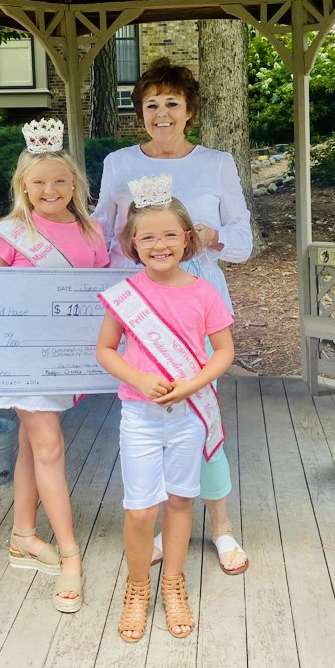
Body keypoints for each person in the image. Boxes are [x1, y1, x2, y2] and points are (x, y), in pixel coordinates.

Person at [94, 58, 252, 575]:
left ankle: (221, 526)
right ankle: (165, 522)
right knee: (152, 416)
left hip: (197, 301)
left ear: (190, 110)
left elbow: (244, 240)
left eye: (172, 103)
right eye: (151, 104)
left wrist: (211, 236)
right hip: (141, 308)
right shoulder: (118, 162)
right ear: (140, 112)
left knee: (201, 414)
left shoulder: (217, 163)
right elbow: (101, 233)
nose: (162, 113)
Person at [96, 175, 234, 642]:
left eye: (170, 235)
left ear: (187, 238)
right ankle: (138, 587)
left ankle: (173, 582)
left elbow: (224, 352)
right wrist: (139, 379)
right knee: (140, 510)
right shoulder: (127, 295)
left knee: (180, 501)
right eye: (148, 237)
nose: (160, 245)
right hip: (140, 415)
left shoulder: (203, 292)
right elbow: (106, 350)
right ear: (133, 244)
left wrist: (191, 385)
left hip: (188, 415)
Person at [0, 117, 109, 613]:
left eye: (60, 180)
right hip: (23, 356)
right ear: (23, 186)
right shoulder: (11, 234)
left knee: (31, 446)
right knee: (50, 447)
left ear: (75, 183)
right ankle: (71, 556)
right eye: (39, 182)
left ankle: (22, 535)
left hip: (66, 357)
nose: (50, 190)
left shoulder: (93, 230)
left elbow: (102, 295)